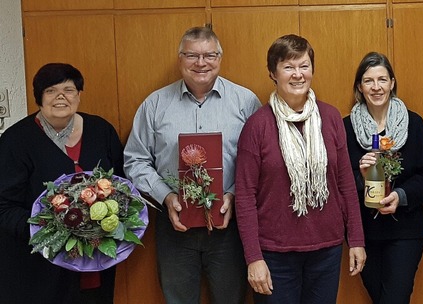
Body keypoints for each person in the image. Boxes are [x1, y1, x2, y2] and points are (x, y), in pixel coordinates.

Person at [123, 27, 261, 304]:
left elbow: (260, 161)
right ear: (180, 58)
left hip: (230, 226)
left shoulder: (245, 102)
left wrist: (233, 194)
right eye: (192, 55)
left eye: (209, 55)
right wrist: (166, 196)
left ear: (220, 58)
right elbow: (135, 160)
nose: (201, 63)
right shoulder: (155, 104)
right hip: (174, 225)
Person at [234, 34, 366, 304]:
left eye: (304, 66)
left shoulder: (330, 118)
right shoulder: (257, 126)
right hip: (274, 255)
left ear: (312, 70)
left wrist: (356, 239)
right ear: (273, 73)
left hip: (326, 249)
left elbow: (345, 184)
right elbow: (245, 195)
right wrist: (254, 258)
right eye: (288, 67)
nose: (297, 74)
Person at [0, 63, 122, 304]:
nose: (61, 97)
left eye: (69, 89)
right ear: (39, 97)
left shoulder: (101, 130)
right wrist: (50, 233)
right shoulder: (16, 141)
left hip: (95, 259)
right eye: (51, 90)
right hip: (38, 267)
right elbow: (4, 205)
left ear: (79, 95)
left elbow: (121, 186)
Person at [343, 52, 423, 303]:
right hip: (363, 233)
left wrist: (401, 196)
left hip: (405, 231)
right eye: (368, 81)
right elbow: (337, 181)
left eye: (382, 80)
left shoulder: (413, 123)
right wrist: (362, 177)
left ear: (392, 83)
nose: (376, 87)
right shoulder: (344, 128)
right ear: (359, 86)